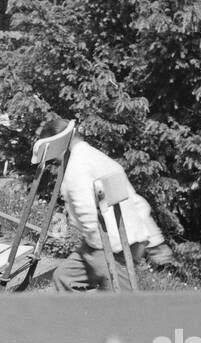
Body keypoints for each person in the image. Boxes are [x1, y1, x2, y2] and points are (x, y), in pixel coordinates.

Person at [35, 113, 175, 292]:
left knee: (121, 302)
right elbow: (137, 201)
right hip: (108, 242)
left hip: (111, 246)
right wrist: (155, 241)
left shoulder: (77, 168)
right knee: (64, 277)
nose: (53, 159)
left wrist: (100, 255)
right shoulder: (97, 157)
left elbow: (88, 214)